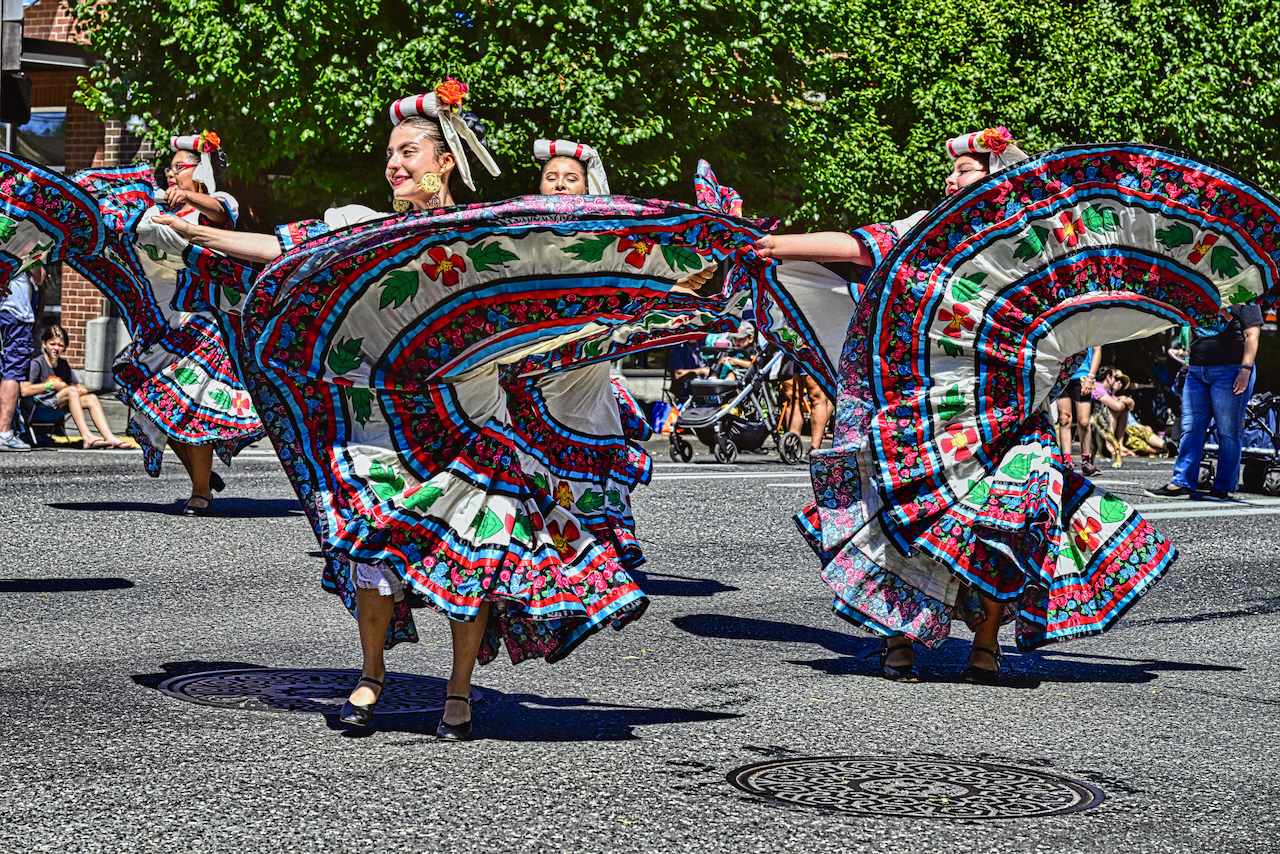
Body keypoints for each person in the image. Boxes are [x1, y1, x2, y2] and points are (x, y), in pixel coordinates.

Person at [765, 131, 1278, 684]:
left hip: (1013, 417)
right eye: (953, 171)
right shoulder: (929, 233)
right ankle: (900, 639)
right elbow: (857, 246)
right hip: (926, 411)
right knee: (903, 516)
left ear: (997, 174)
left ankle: (985, 646)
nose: (950, 179)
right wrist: (772, 247)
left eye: (962, 170)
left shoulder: (1050, 239)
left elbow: (1097, 303)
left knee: (1007, 524)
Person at [1145, 303, 1263, 500]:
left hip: (1231, 369)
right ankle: (1181, 482)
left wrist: (1245, 370)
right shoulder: (1199, 294)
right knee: (1190, 428)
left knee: (1228, 431)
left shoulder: (1243, 294)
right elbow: (1192, 329)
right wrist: (1191, 360)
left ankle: (1222, 487)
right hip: (1198, 370)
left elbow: (1252, 334)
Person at [21, 324, 129, 448]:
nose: (56, 348)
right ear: (44, 344)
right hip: (39, 407)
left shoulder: (63, 365)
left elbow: (80, 388)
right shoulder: (37, 363)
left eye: (60, 345)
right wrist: (51, 385)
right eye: (52, 344)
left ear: (65, 347)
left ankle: (110, 437)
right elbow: (24, 390)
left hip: (58, 406)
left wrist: (76, 389)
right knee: (72, 391)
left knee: (91, 398)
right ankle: (87, 437)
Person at [0, 266, 44, 451]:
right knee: (13, 371)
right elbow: (39, 278)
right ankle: (4, 432)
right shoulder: (27, 241)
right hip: (15, 311)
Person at [1055, 347, 1102, 475]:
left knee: (1084, 421)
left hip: (1083, 376)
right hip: (1061, 374)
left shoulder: (1091, 326)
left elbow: (1097, 351)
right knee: (1064, 418)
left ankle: (1086, 461)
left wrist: (1090, 377)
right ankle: (1067, 460)